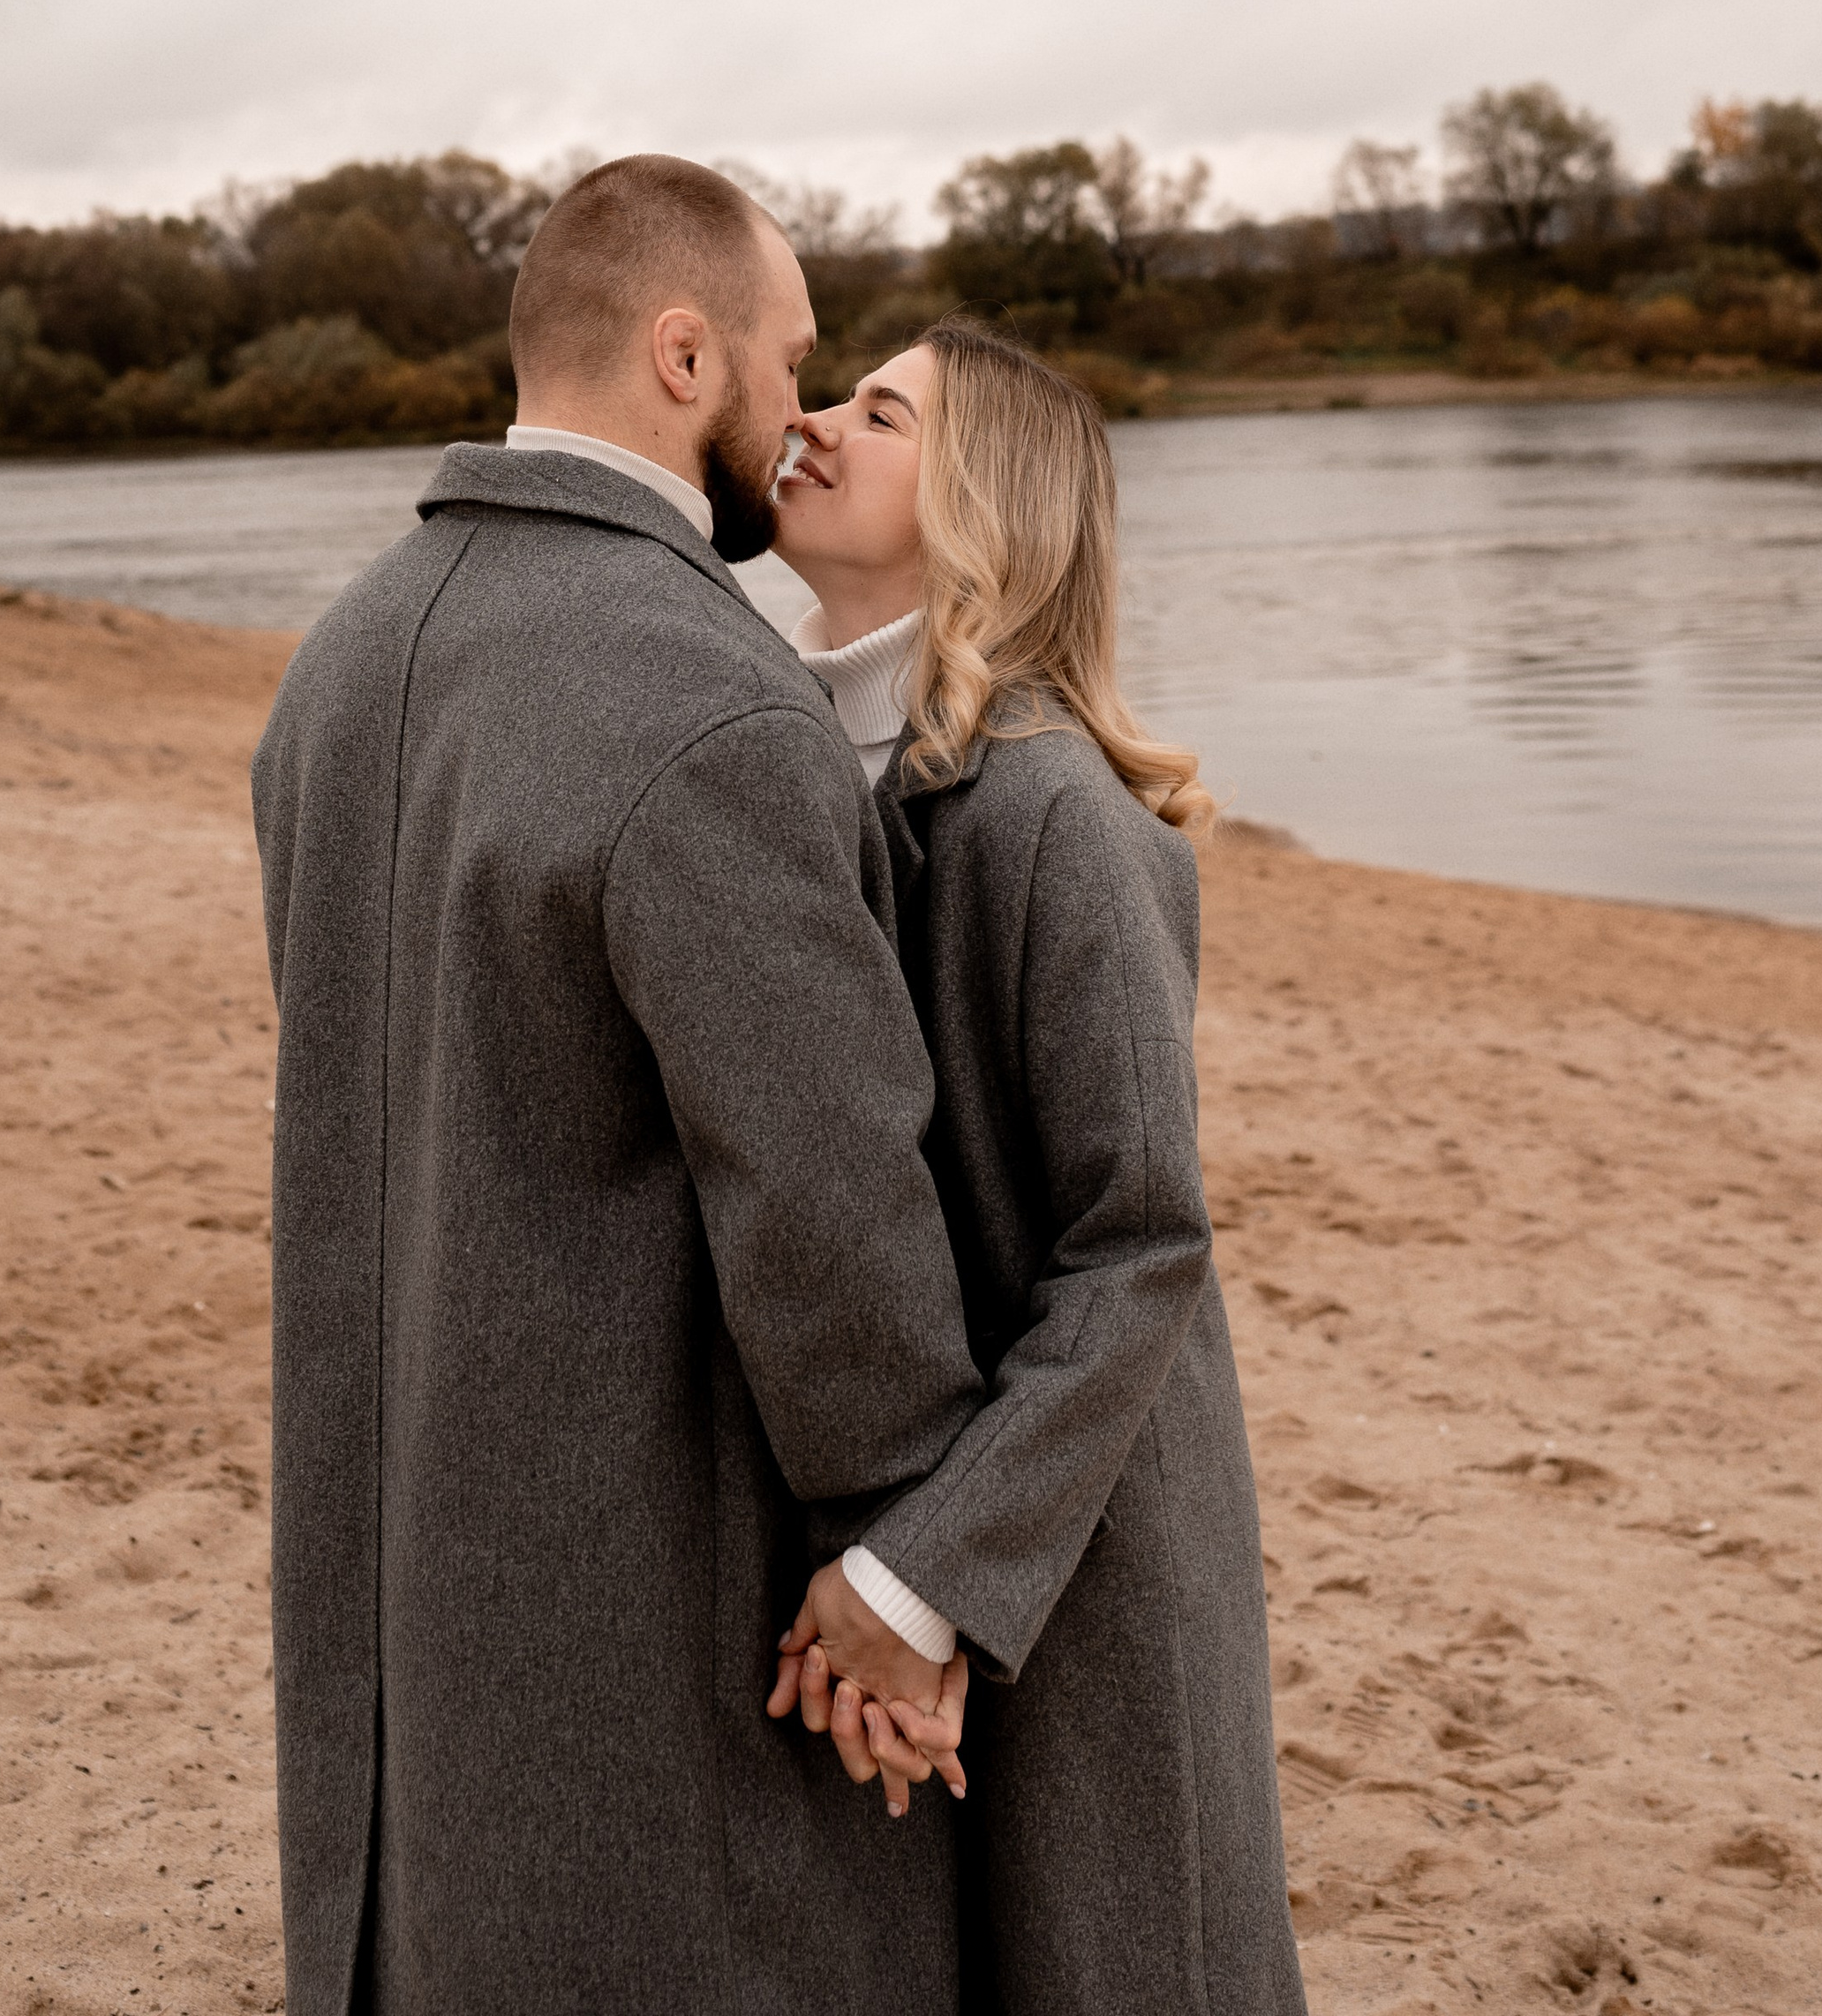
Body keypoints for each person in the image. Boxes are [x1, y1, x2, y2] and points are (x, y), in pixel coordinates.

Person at [256, 158, 989, 2016]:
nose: (797, 410)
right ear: (683, 355)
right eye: (786, 358)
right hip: (640, 1627)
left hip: (395, 1601)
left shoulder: (332, 671)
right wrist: (906, 1552)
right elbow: (829, 1201)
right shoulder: (712, 701)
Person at [767, 319, 1309, 2016]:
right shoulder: (819, 766)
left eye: (878, 414)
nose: (812, 426)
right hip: (938, 1514)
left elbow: (1142, 1242)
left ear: (984, 505)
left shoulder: (1058, 817)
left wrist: (926, 1575)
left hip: (1083, 1538)